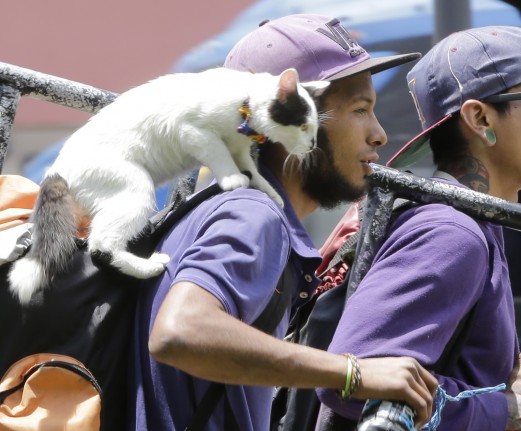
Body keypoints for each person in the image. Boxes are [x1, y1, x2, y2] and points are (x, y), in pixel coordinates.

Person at [128, 14, 438, 431]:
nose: (378, 134)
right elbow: (179, 331)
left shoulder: (217, 207)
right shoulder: (254, 215)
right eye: (360, 110)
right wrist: (353, 373)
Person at [316, 26, 521, 430]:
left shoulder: (473, 225)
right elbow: (353, 381)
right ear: (479, 117)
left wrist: (495, 385)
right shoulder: (450, 233)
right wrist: (501, 410)